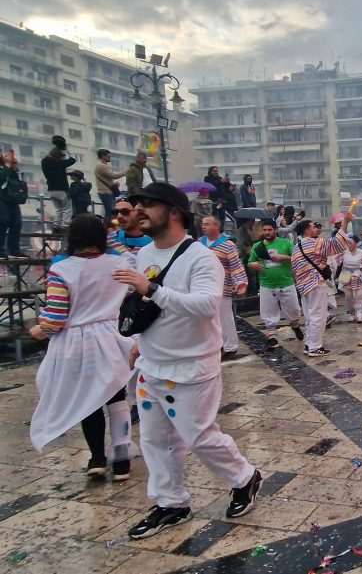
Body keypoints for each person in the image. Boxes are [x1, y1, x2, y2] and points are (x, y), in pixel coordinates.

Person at [112, 182, 262, 539]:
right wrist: (138, 341)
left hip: (192, 366)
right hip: (152, 365)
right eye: (138, 205)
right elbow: (148, 307)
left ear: (174, 212)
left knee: (199, 436)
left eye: (148, 204)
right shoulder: (145, 254)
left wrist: (151, 289)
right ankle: (170, 502)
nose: (139, 211)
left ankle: (244, 477)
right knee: (154, 439)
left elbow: (206, 306)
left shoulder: (201, 258)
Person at [28, 214, 136, 480]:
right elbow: (134, 272)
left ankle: (97, 458)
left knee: (89, 400)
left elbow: (55, 317)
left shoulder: (63, 269)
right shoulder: (120, 263)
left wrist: (38, 330)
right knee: (116, 396)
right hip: (112, 337)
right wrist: (111, 232)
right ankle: (122, 458)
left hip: (77, 343)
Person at [292, 216, 353, 356]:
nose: (317, 229)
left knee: (309, 316)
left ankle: (309, 344)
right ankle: (315, 347)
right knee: (319, 315)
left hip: (303, 286)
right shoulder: (315, 243)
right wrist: (345, 223)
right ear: (307, 231)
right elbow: (337, 244)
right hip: (315, 284)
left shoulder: (297, 247)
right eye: (314, 227)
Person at [248, 220, 303, 350]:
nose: (267, 232)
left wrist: (284, 258)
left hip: (286, 283)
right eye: (265, 230)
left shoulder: (286, 244)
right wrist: (253, 265)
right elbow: (250, 263)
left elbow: (298, 258)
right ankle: (272, 337)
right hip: (267, 285)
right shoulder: (257, 246)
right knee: (268, 311)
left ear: (275, 230)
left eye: (269, 230)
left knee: (294, 310)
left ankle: (295, 325)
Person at [200, 216, 248, 360]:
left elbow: (235, 265)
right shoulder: (198, 244)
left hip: (222, 287)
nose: (204, 227)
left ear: (217, 226)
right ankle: (213, 345)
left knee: (224, 318)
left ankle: (230, 347)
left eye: (207, 224)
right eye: (203, 224)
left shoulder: (228, 245)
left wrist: (240, 283)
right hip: (202, 287)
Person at [41, 135, 76, 231]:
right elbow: (73, 159)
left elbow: (51, 159)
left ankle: (56, 227)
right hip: (62, 189)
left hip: (51, 190)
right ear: (59, 156)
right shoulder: (60, 163)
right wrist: (66, 150)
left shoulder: (44, 162)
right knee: (67, 209)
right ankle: (64, 227)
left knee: (58, 210)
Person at [0, 151, 29, 260]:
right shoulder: (3, 167)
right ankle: (1, 251)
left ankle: (14, 250)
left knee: (16, 224)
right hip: (1, 199)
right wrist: (7, 165)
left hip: (12, 199)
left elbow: (14, 180)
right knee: (2, 224)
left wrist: (12, 166)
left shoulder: (5, 166)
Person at [339, 231, 362, 323]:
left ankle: (359, 313)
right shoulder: (344, 252)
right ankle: (351, 313)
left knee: (359, 295)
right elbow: (337, 261)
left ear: (355, 243)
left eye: (350, 242)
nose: (349, 245)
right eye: (347, 243)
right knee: (348, 296)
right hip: (346, 275)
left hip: (358, 275)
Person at [94, 149, 128, 219]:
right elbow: (113, 175)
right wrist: (125, 172)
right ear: (103, 156)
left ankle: (108, 226)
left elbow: (106, 178)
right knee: (111, 212)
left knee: (109, 211)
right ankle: (109, 227)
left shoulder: (101, 165)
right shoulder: (101, 165)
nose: (110, 157)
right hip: (105, 192)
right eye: (108, 156)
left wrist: (114, 184)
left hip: (106, 192)